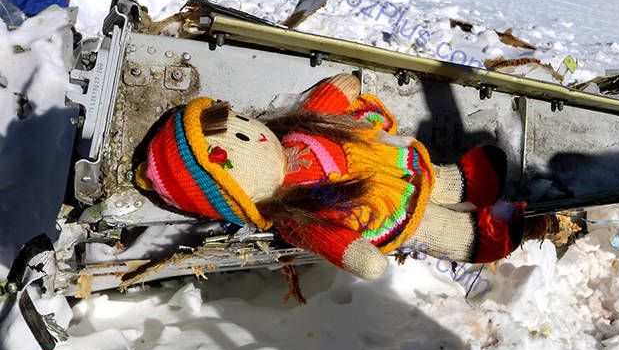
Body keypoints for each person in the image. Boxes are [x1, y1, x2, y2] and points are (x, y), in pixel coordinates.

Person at [135, 74, 556, 281]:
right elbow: (352, 254)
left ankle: (459, 182)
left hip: (380, 163)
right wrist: (362, 258)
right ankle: (470, 238)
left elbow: (324, 104)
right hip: (374, 212)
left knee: (423, 172)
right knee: (427, 223)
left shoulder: (292, 132)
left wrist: (339, 92)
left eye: (239, 125)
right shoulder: (297, 215)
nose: (255, 137)